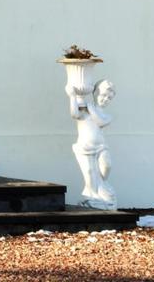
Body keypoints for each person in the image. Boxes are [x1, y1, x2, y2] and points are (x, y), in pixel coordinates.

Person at [66, 78, 116, 209]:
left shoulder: (106, 116)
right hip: (84, 147)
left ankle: (102, 188)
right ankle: (92, 197)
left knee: (106, 166)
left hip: (101, 147)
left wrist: (91, 109)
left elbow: (101, 122)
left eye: (109, 98)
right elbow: (74, 114)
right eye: (103, 95)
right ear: (95, 94)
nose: (105, 99)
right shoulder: (84, 110)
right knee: (89, 172)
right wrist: (72, 96)